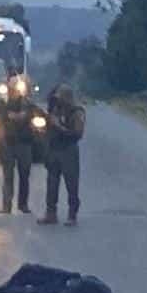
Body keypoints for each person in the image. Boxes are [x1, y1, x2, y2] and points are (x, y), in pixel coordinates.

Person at [38, 84, 86, 226]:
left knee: (71, 184)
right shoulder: (55, 109)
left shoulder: (77, 113)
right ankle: (50, 213)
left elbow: (77, 134)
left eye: (61, 98)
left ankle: (72, 214)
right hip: (54, 149)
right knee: (52, 183)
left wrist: (59, 126)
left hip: (68, 150)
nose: (58, 100)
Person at [0, 76, 37, 214]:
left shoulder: (27, 103)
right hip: (8, 143)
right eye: (12, 87)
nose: (14, 90)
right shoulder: (1, 103)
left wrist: (11, 116)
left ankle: (22, 205)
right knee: (8, 176)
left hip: (24, 143)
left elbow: (25, 116)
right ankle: (7, 206)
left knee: (24, 175)